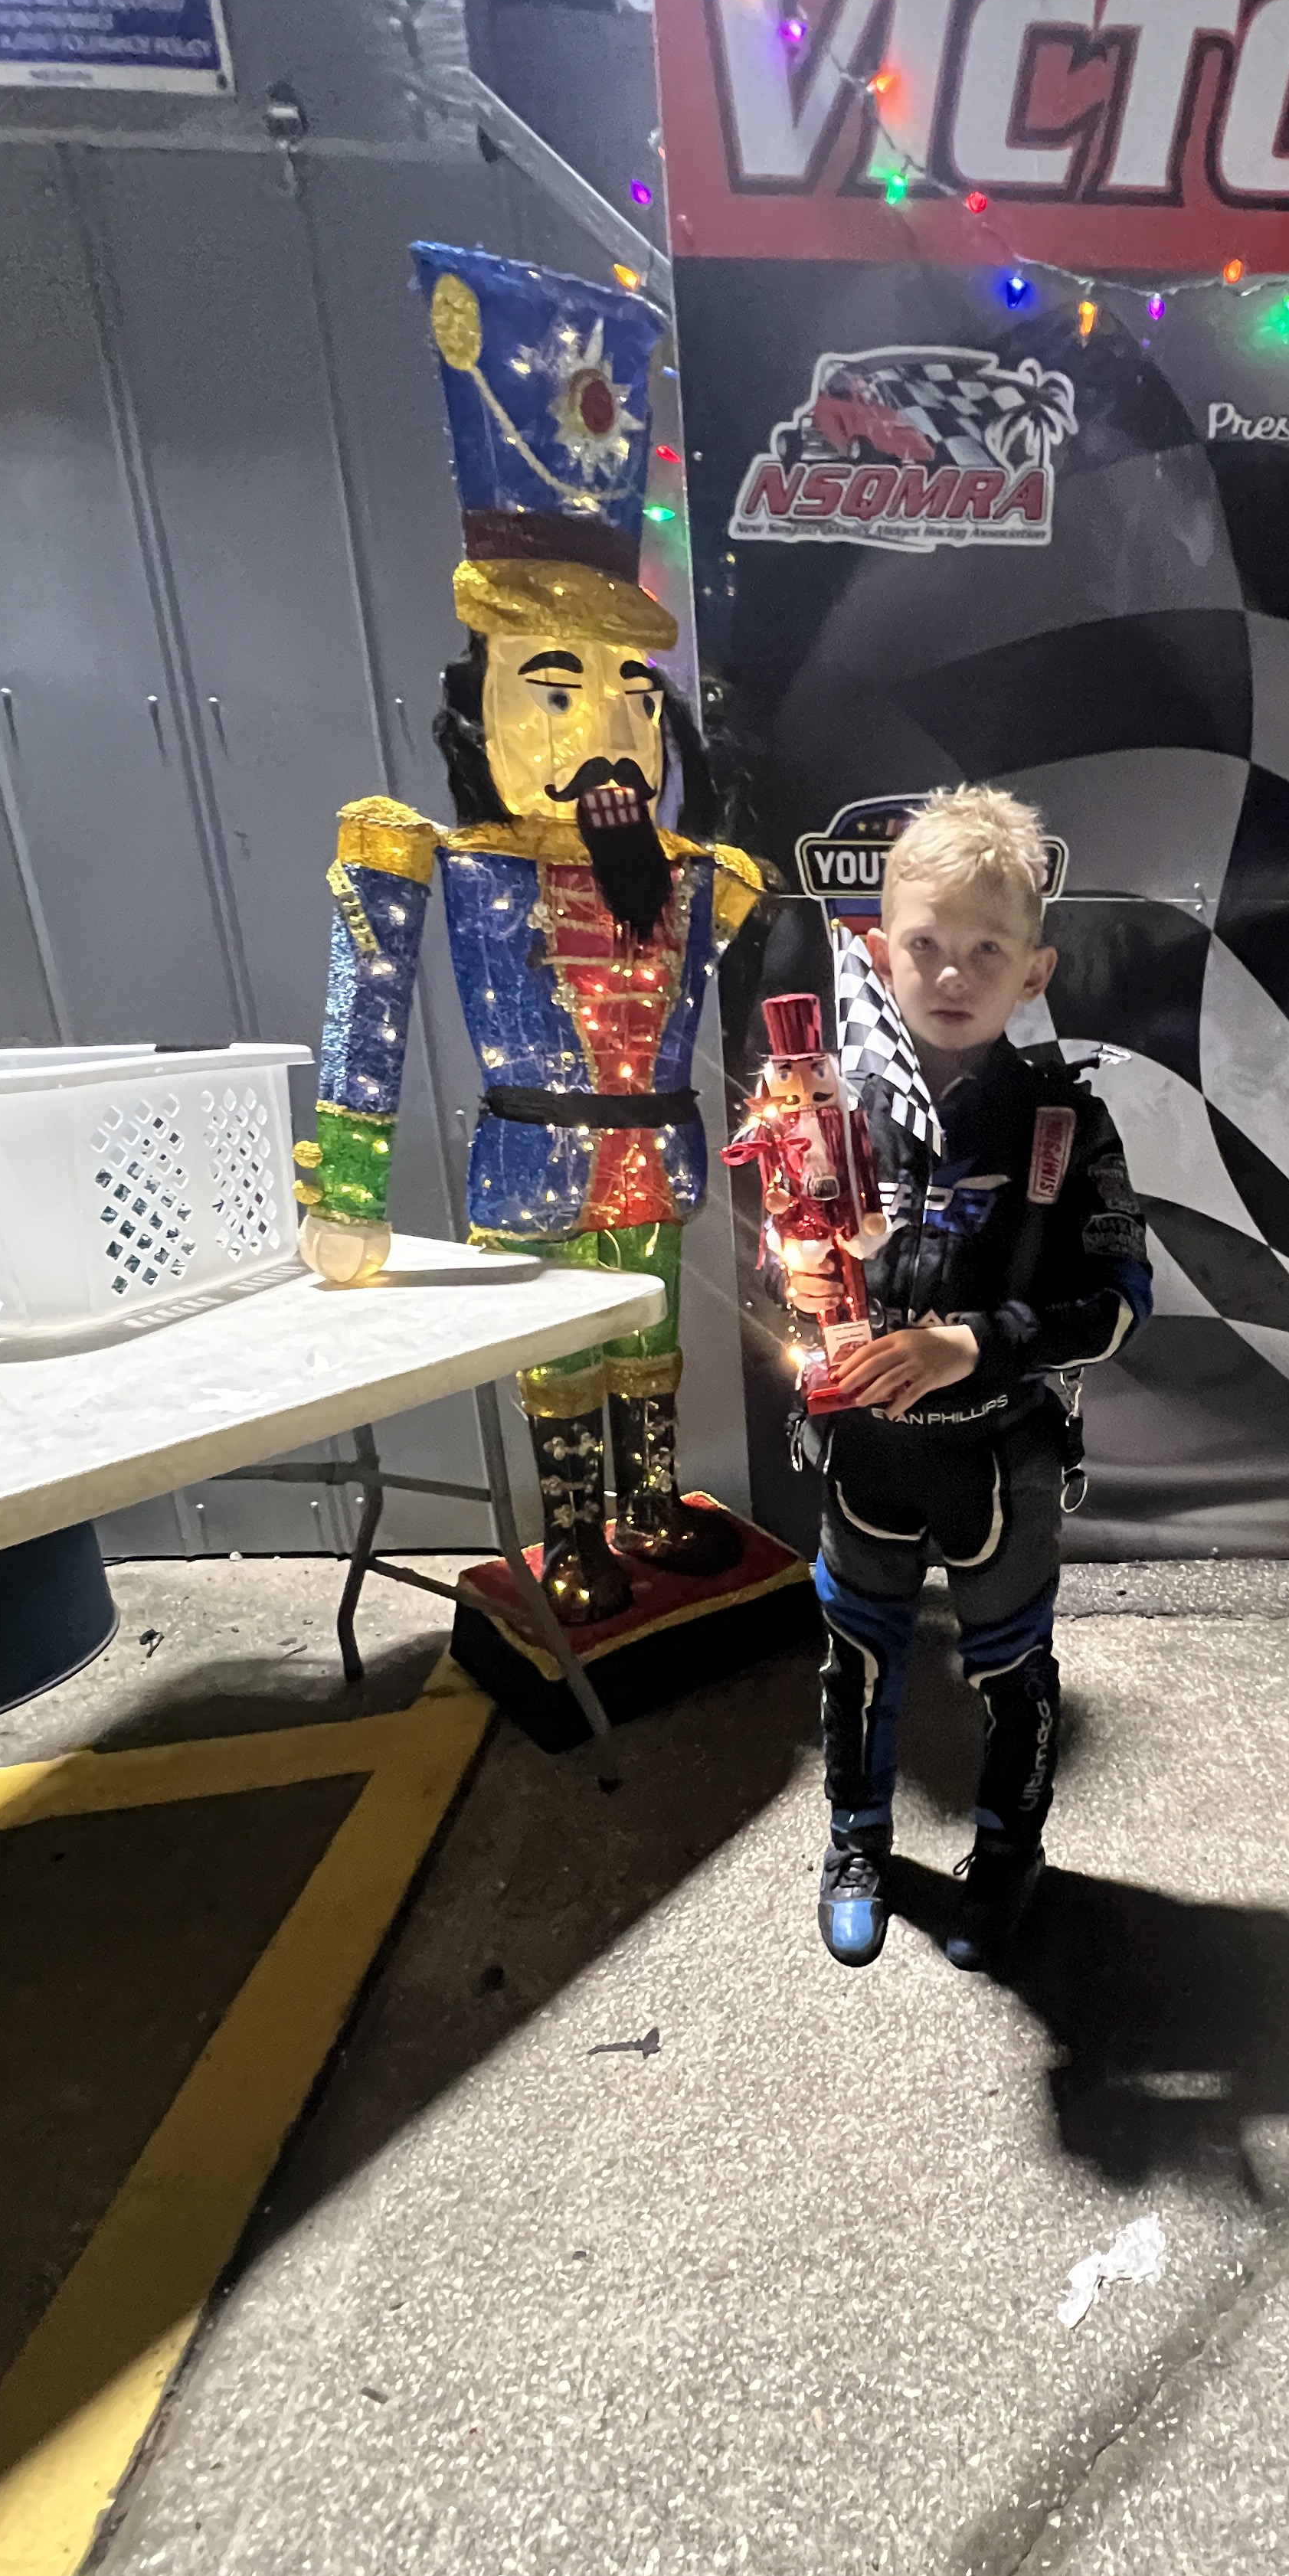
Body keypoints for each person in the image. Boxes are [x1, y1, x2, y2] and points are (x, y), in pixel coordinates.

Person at [294, 243, 767, 1623]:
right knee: (554, 1352)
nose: (606, 733)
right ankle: (572, 1533)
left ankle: (648, 1507)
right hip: (531, 1162)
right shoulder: (435, 858)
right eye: (556, 691)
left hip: (656, 1156)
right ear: (478, 707)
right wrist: (348, 1186)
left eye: (631, 696)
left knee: (653, 1334)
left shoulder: (695, 873)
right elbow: (370, 1011)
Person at [786, 786, 1153, 1970]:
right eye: (926, 945)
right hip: (869, 1455)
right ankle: (855, 1842)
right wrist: (809, 1314)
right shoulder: (824, 1111)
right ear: (877, 951)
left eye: (986, 951)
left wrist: (972, 1345)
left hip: (1003, 1456)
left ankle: (1007, 1856)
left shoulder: (1066, 1121)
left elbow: (1119, 1305)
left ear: (1034, 970)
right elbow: (792, 1270)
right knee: (858, 1660)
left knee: (1012, 1671)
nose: (953, 974)